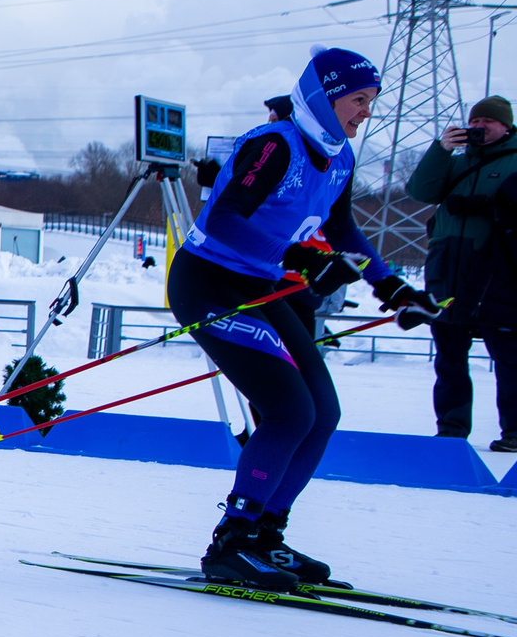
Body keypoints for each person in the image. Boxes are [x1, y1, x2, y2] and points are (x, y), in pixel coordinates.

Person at [168, 46, 441, 590]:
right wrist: (299, 257)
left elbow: (342, 230)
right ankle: (232, 541)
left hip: (259, 286)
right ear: (325, 96)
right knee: (289, 410)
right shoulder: (276, 146)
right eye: (358, 99)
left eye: (371, 100)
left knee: (323, 412)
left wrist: (388, 284)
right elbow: (223, 219)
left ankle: (265, 534)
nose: (366, 111)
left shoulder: (340, 157)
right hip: (208, 285)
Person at [406, 94, 516, 449]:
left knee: (509, 357)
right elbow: (419, 190)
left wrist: (486, 206)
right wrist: (441, 150)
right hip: (447, 270)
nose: (479, 127)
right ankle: (451, 430)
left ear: (506, 126)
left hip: (498, 274)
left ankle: (514, 433)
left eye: (488, 121)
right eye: (475, 121)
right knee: (449, 357)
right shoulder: (455, 163)